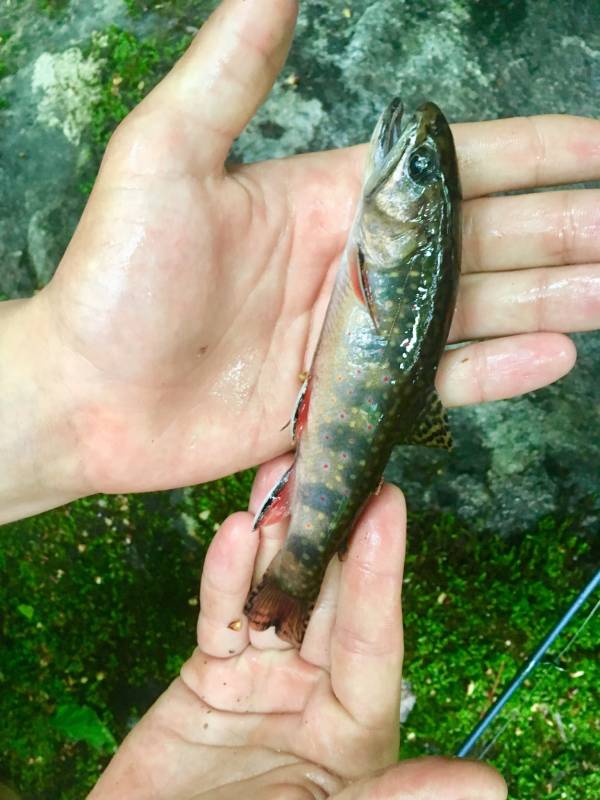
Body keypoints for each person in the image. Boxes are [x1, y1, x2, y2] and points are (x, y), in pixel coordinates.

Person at [2, 0, 599, 796]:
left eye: (418, 172)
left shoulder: (384, 254)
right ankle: (299, 572)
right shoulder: (378, 248)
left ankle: (297, 575)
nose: (410, 149)